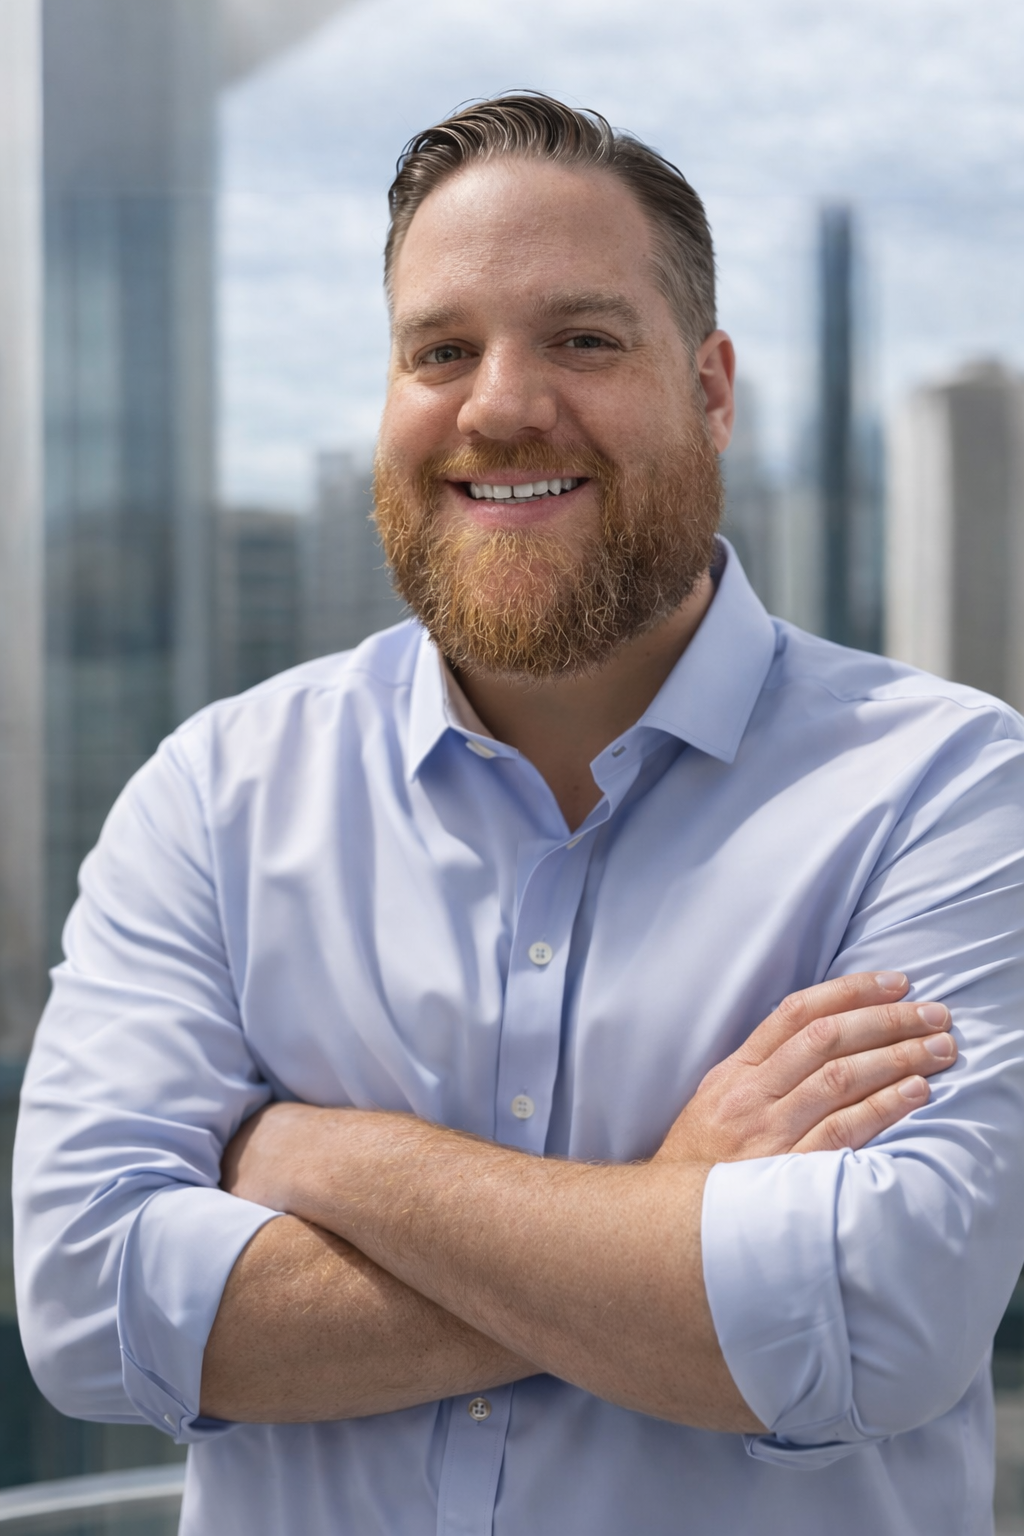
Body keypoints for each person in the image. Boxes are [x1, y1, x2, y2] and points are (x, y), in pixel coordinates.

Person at [13, 93, 1024, 1536]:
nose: (498, 405)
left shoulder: (945, 787)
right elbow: (87, 1305)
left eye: (585, 340)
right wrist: (665, 1221)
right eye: (441, 350)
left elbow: (874, 1319)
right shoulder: (216, 796)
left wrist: (327, 1157)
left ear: (715, 388)